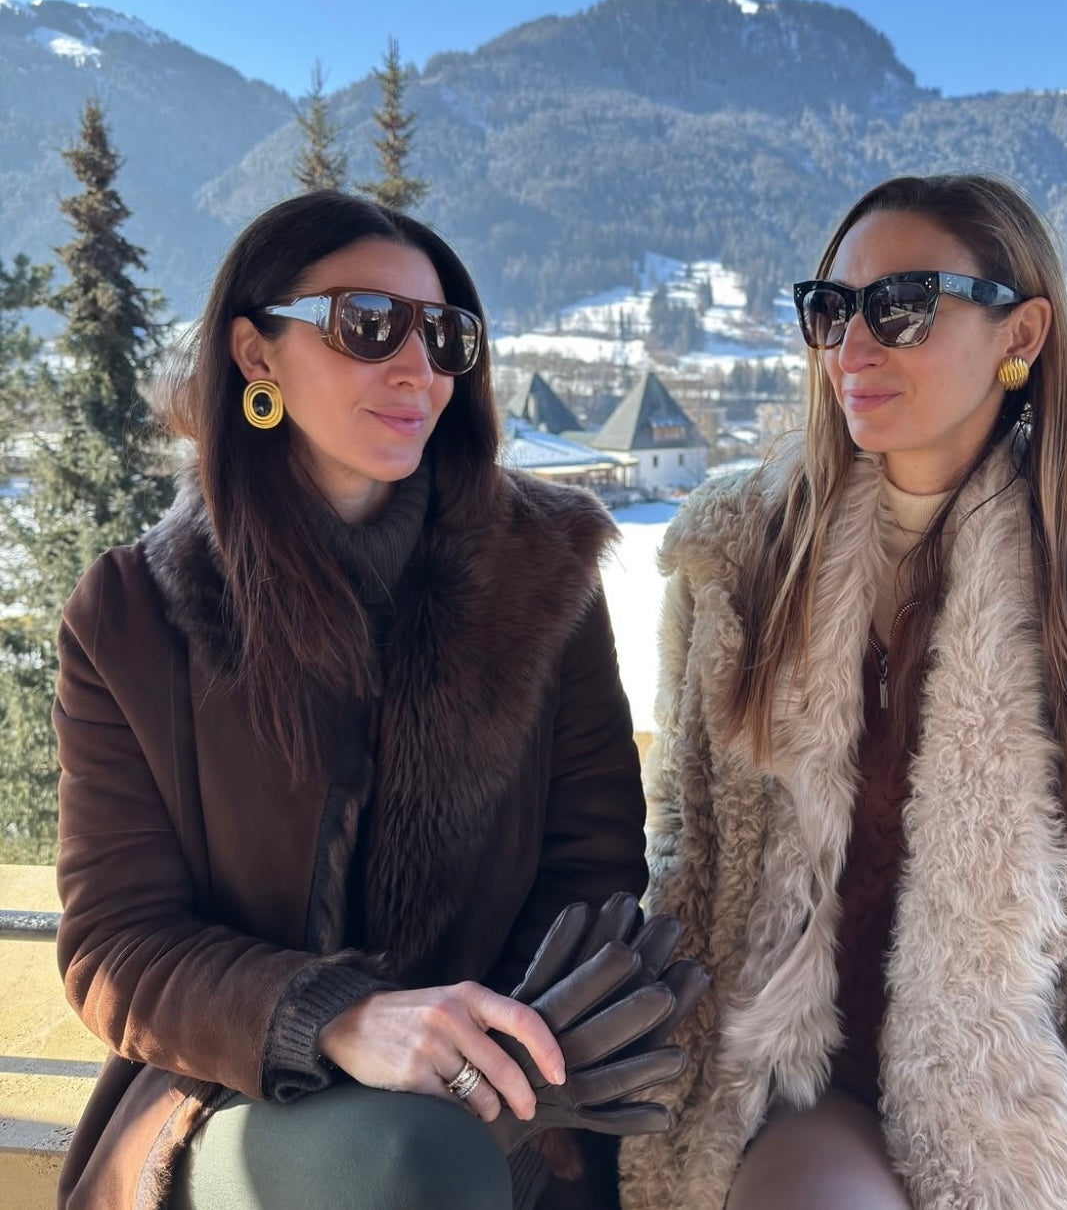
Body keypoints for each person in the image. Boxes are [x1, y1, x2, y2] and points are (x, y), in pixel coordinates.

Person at [617, 173, 1067, 1210]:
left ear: (1020, 331)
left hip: (1048, 1112)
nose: (853, 346)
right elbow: (686, 846)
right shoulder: (740, 561)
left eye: (899, 305)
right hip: (808, 1089)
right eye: (830, 308)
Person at [53, 191, 687, 1210]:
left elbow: (591, 873)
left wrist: (487, 1059)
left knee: (429, 1153)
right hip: (232, 1088)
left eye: (445, 337)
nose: (418, 369)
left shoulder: (545, 576)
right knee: (403, 1161)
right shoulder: (133, 616)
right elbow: (116, 943)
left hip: (504, 1090)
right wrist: (336, 1018)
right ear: (257, 356)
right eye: (367, 325)